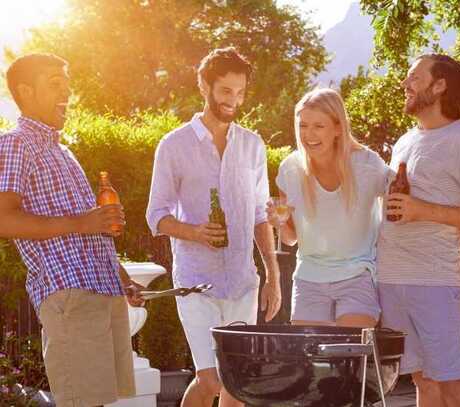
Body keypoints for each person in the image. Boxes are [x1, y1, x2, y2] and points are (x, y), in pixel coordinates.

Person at [0, 53, 144, 407]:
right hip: (69, 294)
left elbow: (90, 230)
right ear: (26, 91)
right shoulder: (16, 143)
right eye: (54, 83)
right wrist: (83, 221)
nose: (67, 90)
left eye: (66, 81)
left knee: (99, 401)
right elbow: (4, 218)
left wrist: (123, 278)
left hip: (101, 289)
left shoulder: (64, 151)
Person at [145, 47, 281, 407]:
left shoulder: (252, 145)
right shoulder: (173, 146)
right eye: (225, 91)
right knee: (211, 379)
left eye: (240, 92)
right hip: (196, 282)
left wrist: (273, 274)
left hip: (242, 281)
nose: (233, 101)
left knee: (236, 384)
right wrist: (195, 232)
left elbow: (259, 214)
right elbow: (155, 216)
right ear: (204, 85)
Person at [378, 54, 460, 407]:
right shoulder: (405, 141)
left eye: (414, 78)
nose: (405, 84)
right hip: (392, 279)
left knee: (453, 388)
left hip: (434, 281)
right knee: (424, 382)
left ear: (439, 86)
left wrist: (424, 211)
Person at [267, 88, 385, 329]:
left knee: (351, 358)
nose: (308, 135)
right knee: (313, 364)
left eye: (318, 126)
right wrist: (279, 223)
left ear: (338, 128)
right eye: (303, 125)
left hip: (357, 275)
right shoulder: (290, 169)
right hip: (309, 277)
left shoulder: (368, 165)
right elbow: (290, 240)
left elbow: (401, 203)